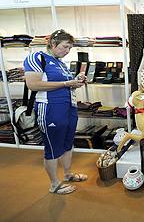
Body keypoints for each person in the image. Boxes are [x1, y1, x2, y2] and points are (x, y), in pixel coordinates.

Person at [24, 29, 88, 195]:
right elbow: (33, 85)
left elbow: (65, 83)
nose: (67, 51)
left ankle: (67, 174)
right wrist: (67, 83)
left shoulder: (60, 62)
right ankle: (54, 184)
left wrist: (76, 80)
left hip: (68, 108)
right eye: (65, 47)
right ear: (53, 43)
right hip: (50, 109)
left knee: (67, 143)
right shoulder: (37, 57)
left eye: (69, 48)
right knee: (52, 146)